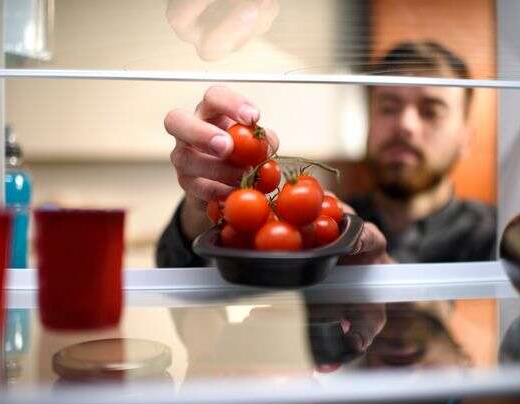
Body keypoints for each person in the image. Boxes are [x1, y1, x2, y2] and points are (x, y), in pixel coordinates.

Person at [156, 41, 496, 267]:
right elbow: (174, 269)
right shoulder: (323, 224)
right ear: (368, 122)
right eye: (388, 107)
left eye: (430, 110)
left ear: (467, 137)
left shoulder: (496, 235)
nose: (405, 125)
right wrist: (207, 200)